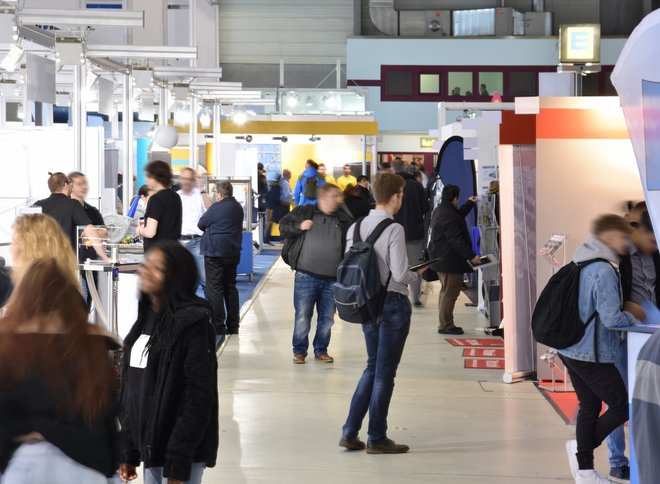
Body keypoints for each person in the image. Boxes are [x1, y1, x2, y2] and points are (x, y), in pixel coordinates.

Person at [0, 258, 119, 483]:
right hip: (86, 463)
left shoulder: (10, 343)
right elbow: (107, 407)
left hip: (28, 463)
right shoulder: (92, 342)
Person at [118, 241, 218, 484]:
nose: (145, 272)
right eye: (146, 265)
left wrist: (178, 463)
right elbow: (133, 391)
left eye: (157, 268)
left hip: (179, 455)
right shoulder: (145, 320)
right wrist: (129, 451)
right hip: (152, 451)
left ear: (177, 276)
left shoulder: (193, 322)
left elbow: (197, 398)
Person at [340, 172, 423, 454]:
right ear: (396, 195)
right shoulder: (394, 229)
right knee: (385, 373)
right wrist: (417, 274)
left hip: (365, 303)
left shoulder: (355, 227)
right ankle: (376, 437)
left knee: (372, 366)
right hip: (392, 305)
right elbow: (400, 274)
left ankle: (350, 432)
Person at [558, 215, 638, 484]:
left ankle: (586, 472)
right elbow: (612, 319)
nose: (626, 244)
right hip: (590, 352)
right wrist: (635, 316)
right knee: (620, 406)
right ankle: (582, 452)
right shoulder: (603, 270)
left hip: (569, 347)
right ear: (610, 238)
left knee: (590, 405)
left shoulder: (581, 259)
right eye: (623, 238)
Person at [605, 210, 659, 481]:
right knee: (618, 401)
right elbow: (607, 299)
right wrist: (626, 305)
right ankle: (617, 459)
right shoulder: (618, 256)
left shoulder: (654, 255)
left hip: (651, 337)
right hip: (623, 339)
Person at [279, 184, 353, 364]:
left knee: (327, 319)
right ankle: (299, 351)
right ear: (321, 197)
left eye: (337, 198)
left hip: (332, 279)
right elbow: (283, 226)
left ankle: (321, 350)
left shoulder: (344, 219)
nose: (334, 201)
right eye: (331, 197)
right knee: (303, 315)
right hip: (306, 276)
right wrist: (299, 226)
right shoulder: (305, 211)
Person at [428, 185, 480, 335]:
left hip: (441, 259)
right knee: (450, 294)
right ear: (455, 198)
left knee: (445, 292)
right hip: (449, 261)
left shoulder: (442, 210)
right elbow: (456, 240)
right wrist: (471, 256)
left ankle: (444, 323)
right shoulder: (448, 214)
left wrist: (469, 203)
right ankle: (446, 325)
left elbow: (457, 215)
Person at [198, 181, 244, 337]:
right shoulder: (238, 207)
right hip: (232, 253)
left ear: (219, 194)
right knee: (230, 288)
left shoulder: (216, 207)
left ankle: (218, 326)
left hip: (214, 253)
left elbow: (201, 224)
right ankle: (234, 325)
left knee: (215, 289)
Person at [33, 172, 108, 261]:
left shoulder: (38, 205)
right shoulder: (73, 204)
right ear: (66, 185)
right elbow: (90, 230)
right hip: (65, 263)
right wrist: (104, 257)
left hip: (41, 262)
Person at [393, 157, 431, 307]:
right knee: (415, 265)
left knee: (395, 264)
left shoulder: (391, 186)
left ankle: (397, 294)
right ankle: (415, 298)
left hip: (394, 232)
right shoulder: (416, 185)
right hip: (414, 232)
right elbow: (426, 208)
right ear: (406, 169)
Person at [69, 171, 109, 307]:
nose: (84, 187)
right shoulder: (66, 208)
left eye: (85, 183)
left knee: (88, 302)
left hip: (90, 263)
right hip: (71, 265)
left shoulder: (92, 211)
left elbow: (104, 232)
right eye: (79, 184)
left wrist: (89, 233)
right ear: (70, 186)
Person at [177, 167, 212, 299]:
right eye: (183, 178)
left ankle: (214, 317)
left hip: (197, 242)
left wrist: (202, 189)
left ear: (193, 180)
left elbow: (211, 211)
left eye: (189, 179)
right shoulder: (176, 196)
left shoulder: (200, 195)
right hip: (179, 243)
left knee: (205, 280)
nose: (186, 182)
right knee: (182, 282)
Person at [136, 161, 183, 253]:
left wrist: (140, 230)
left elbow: (150, 233)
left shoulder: (155, 199)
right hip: (173, 251)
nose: (146, 180)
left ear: (156, 178)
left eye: (148, 176)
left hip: (157, 254)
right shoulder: (176, 197)